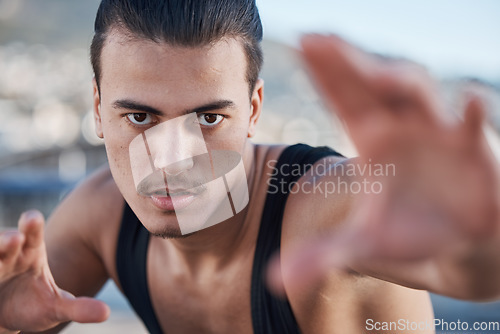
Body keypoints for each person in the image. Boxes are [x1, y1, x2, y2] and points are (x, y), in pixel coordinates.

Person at [1, 0, 500, 333]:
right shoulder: (101, 214)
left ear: (254, 110)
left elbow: (476, 269)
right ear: (97, 109)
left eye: (209, 117)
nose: (172, 159)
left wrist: (477, 233)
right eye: (138, 116)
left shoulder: (314, 207)